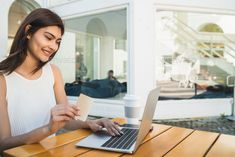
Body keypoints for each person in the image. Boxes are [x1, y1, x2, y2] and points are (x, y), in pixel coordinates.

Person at [0, 8, 122, 153]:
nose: (53, 47)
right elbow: (3, 143)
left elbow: (66, 121)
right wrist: (48, 129)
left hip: (54, 152)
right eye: (48, 37)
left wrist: (91, 123)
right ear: (28, 32)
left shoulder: (54, 72)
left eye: (57, 41)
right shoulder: (3, 79)